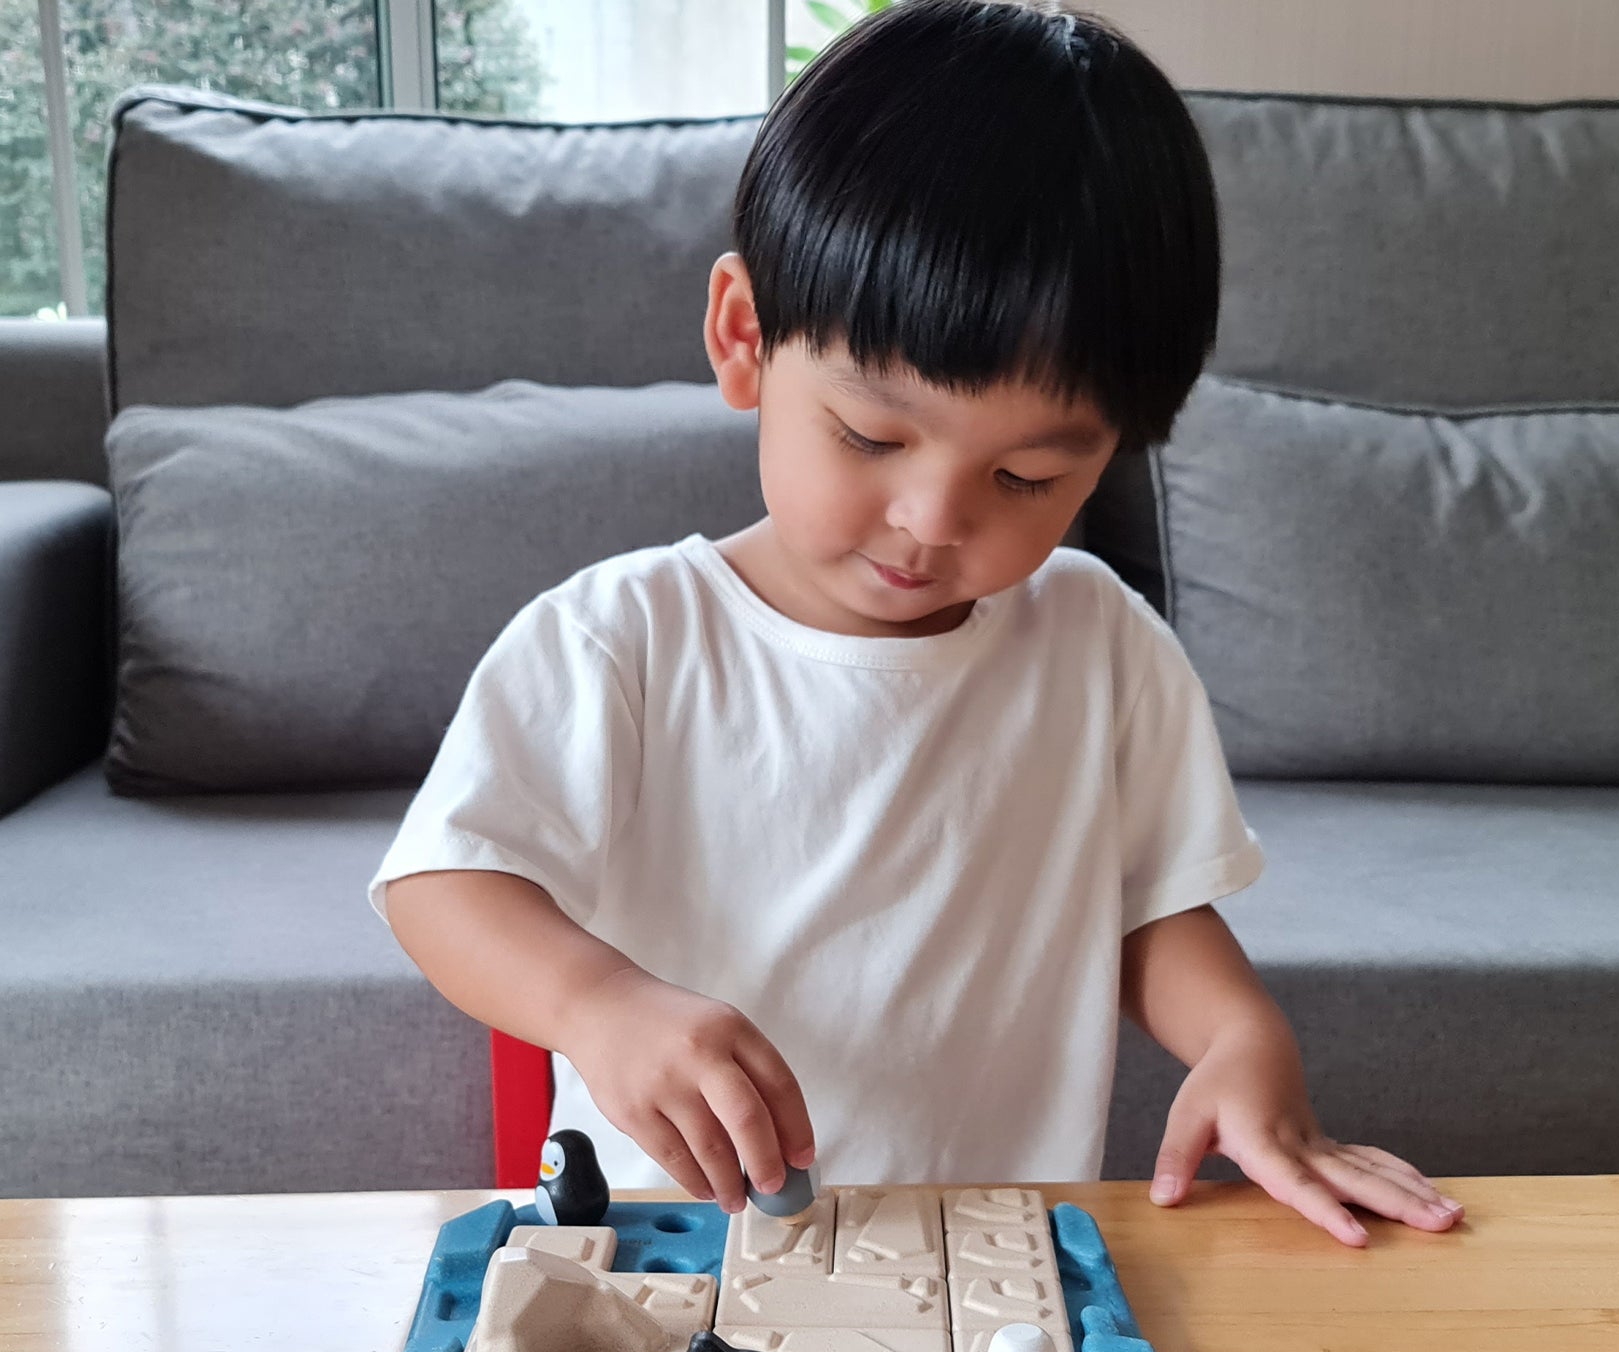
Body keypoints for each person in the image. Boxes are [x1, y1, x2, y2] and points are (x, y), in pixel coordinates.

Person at [372, 0, 1464, 1248]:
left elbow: (1151, 909)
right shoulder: (624, 637)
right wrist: (598, 1002)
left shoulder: (1096, 645)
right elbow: (444, 882)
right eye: (871, 437)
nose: (933, 519)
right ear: (744, 338)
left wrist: (1239, 1039)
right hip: (670, 1248)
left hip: (988, 1252)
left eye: (1027, 478)